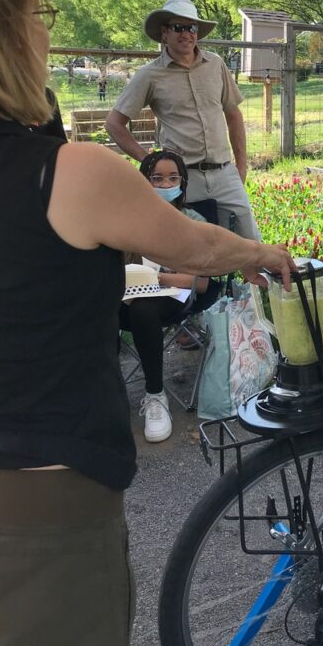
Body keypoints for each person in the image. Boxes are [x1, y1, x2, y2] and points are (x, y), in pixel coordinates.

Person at [0, 0, 295, 646]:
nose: (45, 32)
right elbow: (195, 245)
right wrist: (259, 252)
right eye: (37, 15)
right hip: (36, 488)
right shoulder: (68, 171)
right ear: (8, 34)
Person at [106, 0, 260, 240]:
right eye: (179, 27)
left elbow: (233, 114)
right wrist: (149, 161)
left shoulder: (216, 64)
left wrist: (241, 167)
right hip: (184, 177)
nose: (186, 34)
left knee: (251, 241)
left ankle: (255, 279)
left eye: (192, 28)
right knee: (190, 245)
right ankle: (202, 280)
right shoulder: (150, 75)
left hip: (224, 172)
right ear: (164, 33)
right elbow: (114, 124)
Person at [119, 150, 213, 443]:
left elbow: (199, 283)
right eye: (157, 178)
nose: (165, 184)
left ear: (183, 183)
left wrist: (156, 277)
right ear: (144, 181)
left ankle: (155, 395)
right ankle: (105, 390)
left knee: (144, 310)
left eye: (173, 178)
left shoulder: (192, 220)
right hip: (127, 294)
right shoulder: (128, 219)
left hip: (173, 297)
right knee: (97, 302)